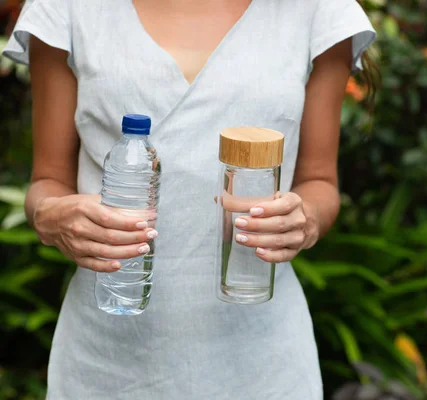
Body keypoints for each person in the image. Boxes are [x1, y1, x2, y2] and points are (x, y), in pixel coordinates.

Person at [2, 0, 376, 398]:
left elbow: (319, 183)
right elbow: (47, 182)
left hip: (263, 362)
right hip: (108, 358)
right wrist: (51, 216)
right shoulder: (67, 8)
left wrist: (305, 219)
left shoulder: (318, 10)